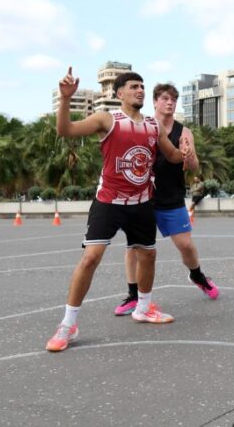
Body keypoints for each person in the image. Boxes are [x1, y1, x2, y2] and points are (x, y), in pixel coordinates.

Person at [46, 68, 186, 352]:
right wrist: (64, 99)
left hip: (142, 203)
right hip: (109, 201)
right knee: (90, 259)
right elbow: (65, 130)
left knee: (148, 254)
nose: (140, 91)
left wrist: (186, 152)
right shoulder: (106, 120)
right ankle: (67, 324)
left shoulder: (153, 126)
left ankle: (143, 308)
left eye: (142, 87)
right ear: (119, 93)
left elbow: (171, 156)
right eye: (134, 86)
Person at [114, 83, 219, 317]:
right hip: (143, 198)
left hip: (172, 197)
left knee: (185, 245)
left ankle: (197, 275)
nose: (170, 103)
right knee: (134, 248)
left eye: (173, 99)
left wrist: (189, 155)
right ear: (155, 102)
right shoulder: (143, 125)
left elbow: (193, 167)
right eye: (164, 98)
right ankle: (133, 295)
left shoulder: (184, 132)